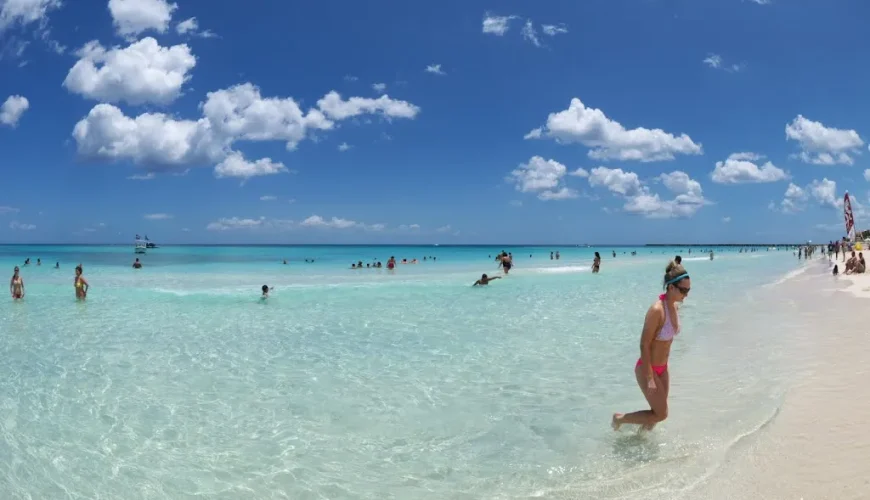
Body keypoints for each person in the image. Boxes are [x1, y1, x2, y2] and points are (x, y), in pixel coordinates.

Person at [612, 261, 691, 432]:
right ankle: (619, 419)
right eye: (683, 290)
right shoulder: (657, 310)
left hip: (663, 369)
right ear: (671, 287)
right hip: (648, 369)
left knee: (656, 414)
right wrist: (649, 376)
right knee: (662, 414)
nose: (686, 294)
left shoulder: (674, 307)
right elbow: (644, 344)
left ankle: (641, 442)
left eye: (688, 290)